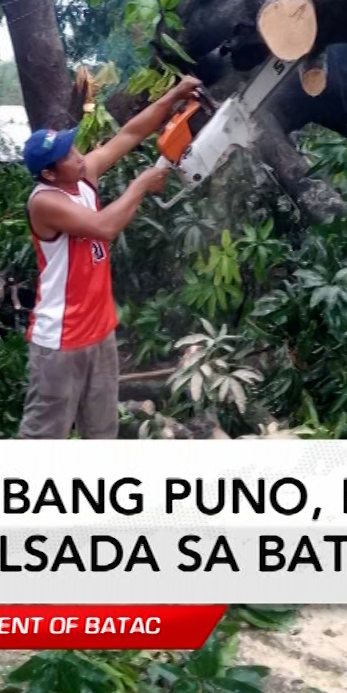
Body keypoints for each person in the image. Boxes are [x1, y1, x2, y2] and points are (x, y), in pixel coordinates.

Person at [18, 76, 204, 439]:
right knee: (44, 435)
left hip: (99, 332)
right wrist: (139, 185)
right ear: (48, 173)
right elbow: (104, 226)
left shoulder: (81, 176)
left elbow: (131, 134)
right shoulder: (45, 202)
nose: (78, 156)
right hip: (61, 340)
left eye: (72, 149)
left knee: (102, 430)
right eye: (67, 156)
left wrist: (174, 95)